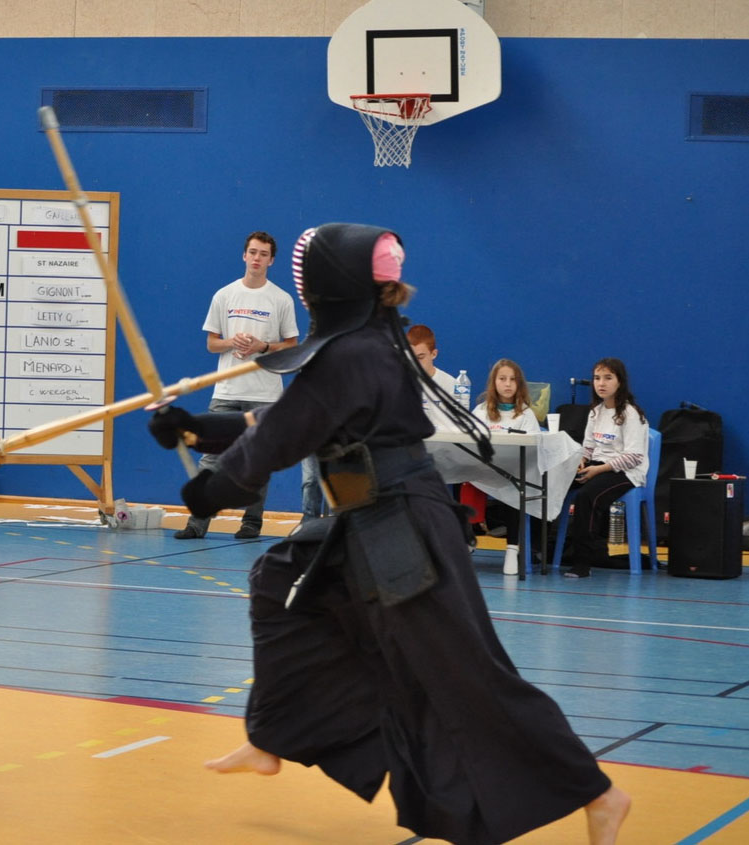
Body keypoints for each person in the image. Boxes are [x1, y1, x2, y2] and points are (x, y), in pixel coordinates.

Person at [148, 223, 630, 844]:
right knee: (277, 580)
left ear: (328, 287)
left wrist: (209, 489)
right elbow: (290, 418)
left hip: (404, 529)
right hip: (367, 520)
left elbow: (283, 434)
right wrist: (197, 429)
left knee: (468, 673)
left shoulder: (355, 354)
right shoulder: (367, 343)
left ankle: (598, 793)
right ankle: (273, 736)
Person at [174, 231, 299, 540]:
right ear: (244, 255)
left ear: (271, 260)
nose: (257, 258)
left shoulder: (281, 299)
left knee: (258, 460)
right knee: (210, 458)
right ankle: (198, 521)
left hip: (265, 394)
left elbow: (292, 347)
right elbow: (212, 344)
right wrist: (232, 342)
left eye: (263, 254)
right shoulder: (224, 295)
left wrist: (262, 346)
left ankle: (251, 523)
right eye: (253, 252)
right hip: (227, 391)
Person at [562, 357, 648, 579]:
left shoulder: (630, 414)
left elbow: (634, 457)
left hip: (626, 472)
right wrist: (582, 460)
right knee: (553, 482)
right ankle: (541, 551)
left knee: (586, 496)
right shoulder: (595, 412)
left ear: (620, 382)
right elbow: (589, 446)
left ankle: (583, 562)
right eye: (597, 378)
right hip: (598, 466)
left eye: (608, 378)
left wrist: (599, 470)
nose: (601, 383)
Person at [471, 358, 541, 575]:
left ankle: (512, 548)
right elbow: (470, 441)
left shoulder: (526, 414)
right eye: (502, 379)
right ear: (494, 382)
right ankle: (466, 536)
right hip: (484, 469)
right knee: (461, 478)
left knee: (516, 486)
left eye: (512, 379)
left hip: (514, 472)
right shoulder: (481, 410)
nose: (508, 384)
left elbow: (533, 448)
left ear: (519, 384)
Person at [406, 323, 458, 430]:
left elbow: (458, 426)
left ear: (434, 354)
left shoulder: (451, 385)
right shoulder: (398, 383)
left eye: (420, 357)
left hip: (443, 440)